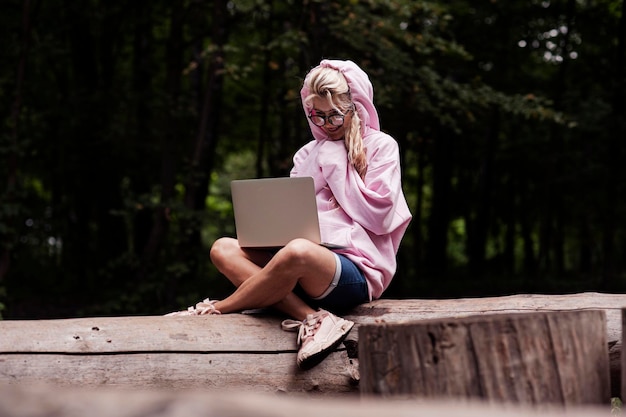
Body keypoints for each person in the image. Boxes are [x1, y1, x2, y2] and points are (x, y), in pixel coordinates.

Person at [166, 59, 412, 370]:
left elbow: (378, 217)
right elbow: (295, 217)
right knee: (223, 247)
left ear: (356, 107)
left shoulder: (381, 147)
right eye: (317, 115)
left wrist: (335, 162)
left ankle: (217, 309)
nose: (326, 124)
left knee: (298, 251)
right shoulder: (306, 154)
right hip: (297, 263)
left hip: (352, 272)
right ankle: (312, 318)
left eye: (335, 114)